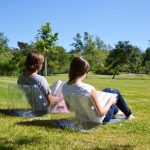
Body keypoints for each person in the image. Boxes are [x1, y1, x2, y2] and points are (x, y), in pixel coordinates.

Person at [62, 56, 135, 123]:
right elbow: (101, 114)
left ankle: (115, 112)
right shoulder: (89, 89)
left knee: (107, 90)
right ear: (84, 72)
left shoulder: (64, 87)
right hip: (97, 119)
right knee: (115, 92)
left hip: (80, 117)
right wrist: (111, 102)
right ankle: (128, 115)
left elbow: (69, 108)